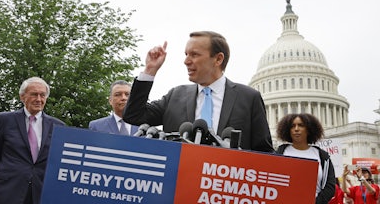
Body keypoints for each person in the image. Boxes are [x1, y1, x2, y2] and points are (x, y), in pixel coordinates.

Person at [123, 31, 274, 152]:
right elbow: (133, 115)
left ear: (218, 59)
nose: (186, 61)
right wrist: (150, 70)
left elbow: (265, 152)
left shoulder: (248, 98)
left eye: (194, 55)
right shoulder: (175, 96)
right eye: (186, 54)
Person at [0, 77, 65, 204]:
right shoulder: (3, 120)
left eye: (42, 95)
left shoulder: (59, 126)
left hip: (41, 193)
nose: (39, 99)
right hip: (7, 191)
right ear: (22, 97)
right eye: (34, 94)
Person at [275, 113, 336, 204]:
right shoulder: (280, 153)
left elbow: (330, 187)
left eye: (301, 125)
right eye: (292, 126)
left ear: (309, 129)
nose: (296, 129)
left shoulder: (322, 156)